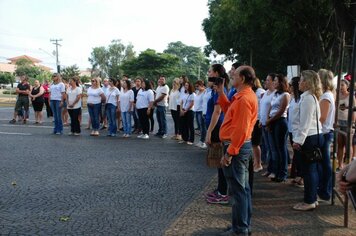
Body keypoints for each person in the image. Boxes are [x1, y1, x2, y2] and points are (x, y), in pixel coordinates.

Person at [217, 65, 258, 236]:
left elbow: (240, 130)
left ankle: (240, 229)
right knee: (243, 189)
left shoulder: (243, 99)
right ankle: (241, 225)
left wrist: (229, 153)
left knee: (238, 190)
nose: (231, 76)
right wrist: (221, 92)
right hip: (239, 146)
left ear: (242, 79)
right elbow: (228, 111)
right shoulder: (242, 96)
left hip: (236, 147)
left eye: (234, 75)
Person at [292, 70, 324, 211]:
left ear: (307, 82)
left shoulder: (308, 98)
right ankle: (311, 198)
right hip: (311, 136)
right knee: (310, 170)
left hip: (309, 138)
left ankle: (310, 200)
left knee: (309, 170)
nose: (299, 82)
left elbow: (304, 123)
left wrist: (298, 140)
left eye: (301, 80)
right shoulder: (309, 97)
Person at [205, 64, 229, 205]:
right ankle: (221, 188)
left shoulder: (220, 89)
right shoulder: (215, 88)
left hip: (217, 127)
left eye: (210, 71)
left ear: (216, 73)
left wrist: (209, 131)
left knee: (220, 159)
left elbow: (217, 111)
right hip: (214, 126)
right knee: (219, 159)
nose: (208, 73)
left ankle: (223, 191)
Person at [266, 74, 290, 182]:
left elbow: (281, 111)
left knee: (281, 148)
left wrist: (270, 120)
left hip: (280, 122)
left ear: (281, 82)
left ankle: (283, 173)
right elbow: (270, 107)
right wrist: (268, 119)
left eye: (276, 81)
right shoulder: (275, 94)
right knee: (274, 148)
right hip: (272, 121)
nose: (274, 82)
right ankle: (276, 171)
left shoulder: (285, 95)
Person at [317, 69, 335, 201]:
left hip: (324, 133)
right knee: (324, 163)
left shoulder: (326, 96)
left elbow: (322, 117)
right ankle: (324, 189)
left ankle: (325, 190)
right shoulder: (326, 95)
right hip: (325, 132)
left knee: (325, 164)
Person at [288, 77, 304, 187]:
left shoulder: (301, 99)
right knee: (296, 155)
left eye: (291, 85)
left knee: (300, 155)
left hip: (298, 131)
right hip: (292, 130)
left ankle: (301, 177)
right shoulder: (293, 98)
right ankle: (298, 175)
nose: (289, 87)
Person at [336, 79, 355, 170]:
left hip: (348, 122)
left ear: (347, 86)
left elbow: (354, 111)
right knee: (340, 144)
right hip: (339, 122)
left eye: (342, 85)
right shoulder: (337, 96)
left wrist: (352, 124)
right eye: (339, 85)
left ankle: (349, 166)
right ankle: (340, 165)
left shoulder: (351, 96)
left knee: (348, 145)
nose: (340, 87)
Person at [259, 73, 276, 177]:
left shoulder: (275, 94)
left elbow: (273, 109)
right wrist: (261, 120)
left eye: (268, 80)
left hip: (271, 124)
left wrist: (268, 121)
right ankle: (269, 169)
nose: (266, 81)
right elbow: (262, 108)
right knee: (267, 148)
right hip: (264, 124)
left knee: (272, 149)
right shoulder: (265, 93)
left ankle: (273, 170)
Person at [252, 78, 265, 172]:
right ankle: (256, 162)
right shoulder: (254, 92)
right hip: (253, 120)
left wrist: (261, 118)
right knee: (253, 144)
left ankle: (258, 163)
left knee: (256, 144)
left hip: (258, 120)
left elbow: (264, 105)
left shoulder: (260, 92)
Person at [194, 80, 207, 149]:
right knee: (200, 127)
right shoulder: (197, 92)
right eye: (196, 86)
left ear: (202, 85)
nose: (196, 87)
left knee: (203, 127)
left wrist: (203, 112)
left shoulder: (205, 92)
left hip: (201, 111)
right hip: (196, 111)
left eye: (198, 86)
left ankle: (203, 142)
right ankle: (201, 140)